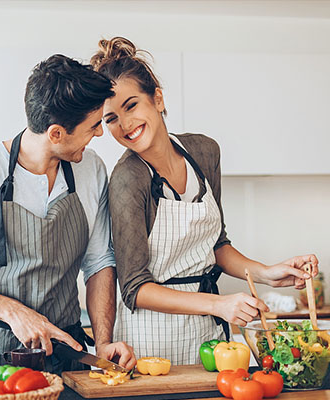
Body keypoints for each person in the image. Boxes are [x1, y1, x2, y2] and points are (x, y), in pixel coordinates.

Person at [89, 37, 319, 364]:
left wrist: (267, 273)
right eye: (111, 118)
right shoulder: (128, 179)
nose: (125, 125)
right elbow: (134, 288)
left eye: (131, 105)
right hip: (151, 343)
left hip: (210, 336)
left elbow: (216, 245)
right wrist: (218, 304)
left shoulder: (204, 152)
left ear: (157, 97)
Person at [0, 54, 136, 373]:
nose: (99, 134)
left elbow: (99, 262)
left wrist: (102, 343)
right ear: (56, 133)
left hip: (67, 352)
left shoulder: (92, 170)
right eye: (93, 126)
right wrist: (14, 312)